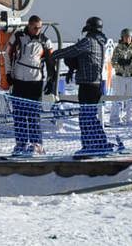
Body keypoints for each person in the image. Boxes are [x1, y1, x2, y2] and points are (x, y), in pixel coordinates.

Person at [52, 16, 114, 157]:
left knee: (85, 117)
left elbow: (72, 51)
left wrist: (54, 55)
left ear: (90, 28)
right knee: (90, 116)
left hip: (88, 84)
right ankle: (101, 143)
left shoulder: (89, 41)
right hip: (95, 84)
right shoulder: (100, 42)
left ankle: (89, 146)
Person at [4, 15, 56, 157]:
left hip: (36, 82)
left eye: (39, 27)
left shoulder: (45, 40)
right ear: (29, 25)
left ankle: (36, 144)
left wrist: (51, 80)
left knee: (33, 114)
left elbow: (51, 61)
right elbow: (7, 54)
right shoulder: (18, 36)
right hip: (19, 80)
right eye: (35, 28)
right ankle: (21, 143)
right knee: (19, 114)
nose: (37, 30)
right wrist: (8, 73)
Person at [110, 28, 132, 126]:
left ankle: (129, 118)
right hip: (120, 76)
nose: (127, 39)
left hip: (131, 76)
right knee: (118, 98)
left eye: (129, 37)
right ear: (122, 38)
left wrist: (129, 64)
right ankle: (115, 118)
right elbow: (113, 62)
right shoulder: (118, 48)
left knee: (131, 98)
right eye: (125, 37)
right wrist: (121, 65)